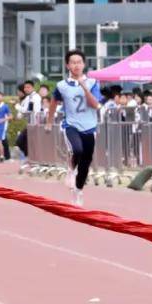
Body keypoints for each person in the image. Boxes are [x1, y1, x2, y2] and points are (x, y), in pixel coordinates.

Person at [47, 49, 103, 207]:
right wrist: (49, 122)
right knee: (77, 150)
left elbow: (95, 104)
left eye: (79, 62)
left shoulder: (93, 83)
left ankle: (78, 190)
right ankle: (71, 168)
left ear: (84, 64)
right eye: (73, 62)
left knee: (85, 162)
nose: (76, 65)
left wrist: (84, 88)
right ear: (67, 65)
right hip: (71, 125)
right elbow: (53, 103)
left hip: (90, 127)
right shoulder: (61, 85)